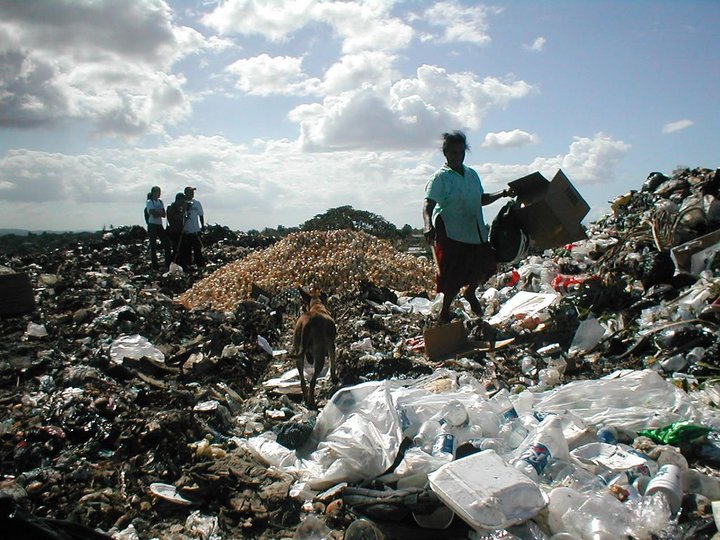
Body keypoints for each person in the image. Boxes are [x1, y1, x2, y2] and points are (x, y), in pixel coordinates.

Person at [422, 131, 514, 323]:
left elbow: (481, 199)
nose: (457, 156)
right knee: (453, 276)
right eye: (453, 153)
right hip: (452, 231)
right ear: (445, 153)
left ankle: (470, 292)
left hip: (474, 230)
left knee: (486, 266)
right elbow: (428, 205)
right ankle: (445, 313)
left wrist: (503, 193)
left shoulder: (471, 175)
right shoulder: (441, 178)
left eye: (461, 153)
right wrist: (427, 225)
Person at [145, 186, 171, 270]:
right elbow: (153, 213)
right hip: (152, 224)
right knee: (153, 245)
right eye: (157, 192)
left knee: (166, 243)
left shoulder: (160, 202)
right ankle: (155, 265)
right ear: (153, 193)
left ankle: (168, 262)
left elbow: (163, 214)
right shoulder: (149, 202)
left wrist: (158, 212)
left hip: (159, 225)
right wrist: (158, 212)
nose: (159, 194)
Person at [181, 186, 205, 269]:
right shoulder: (182, 203)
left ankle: (200, 264)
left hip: (195, 229)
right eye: (191, 192)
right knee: (187, 250)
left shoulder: (196, 203)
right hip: (186, 230)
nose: (192, 194)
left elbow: (201, 215)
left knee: (197, 249)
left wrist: (202, 226)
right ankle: (188, 265)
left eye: (193, 192)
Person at [166, 192, 186, 266]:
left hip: (180, 230)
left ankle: (182, 263)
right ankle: (174, 263)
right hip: (174, 231)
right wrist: (183, 211)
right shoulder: (171, 207)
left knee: (182, 249)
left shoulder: (178, 208)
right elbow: (175, 218)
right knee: (176, 249)